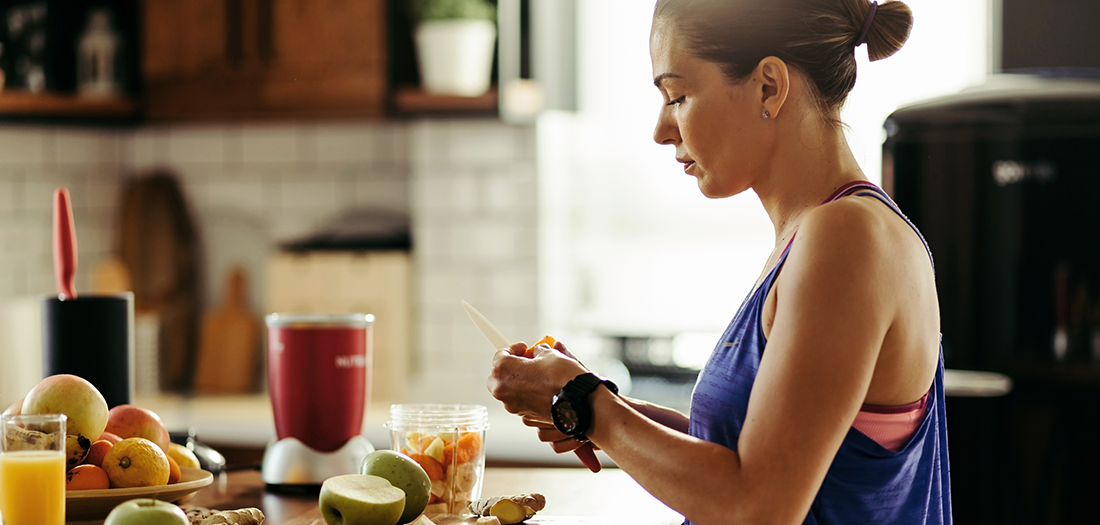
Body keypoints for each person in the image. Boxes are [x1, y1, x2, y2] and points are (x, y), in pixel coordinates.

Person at [487, 0, 950, 523]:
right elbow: (760, 458)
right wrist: (594, 403)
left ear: (769, 87)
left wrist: (586, 404)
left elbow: (760, 508)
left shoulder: (847, 238)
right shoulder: (818, 235)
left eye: (678, 96)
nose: (662, 130)